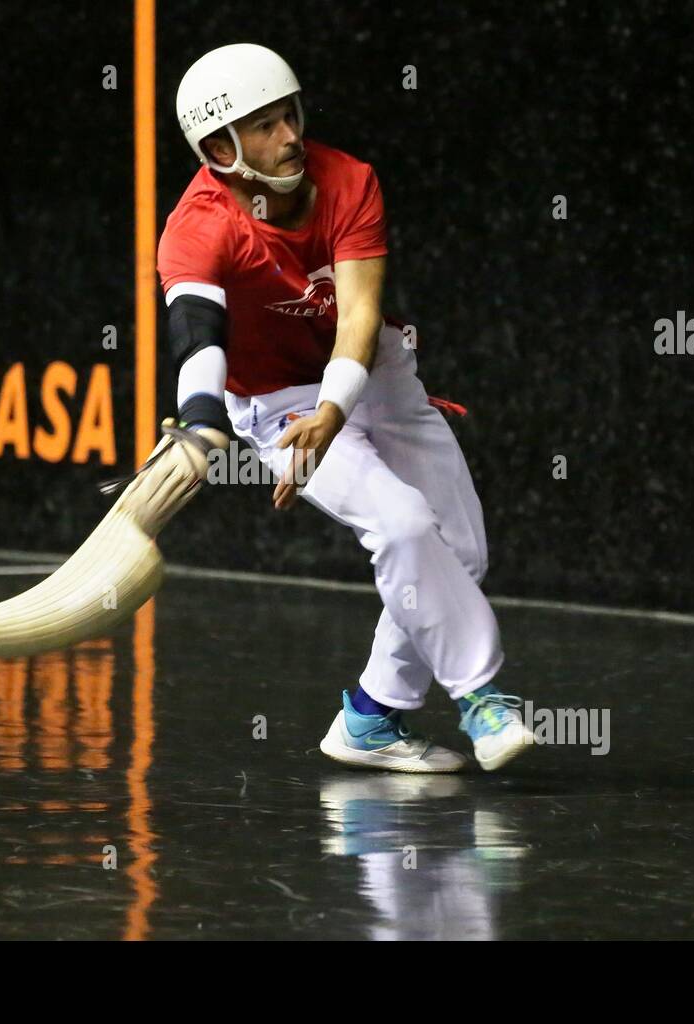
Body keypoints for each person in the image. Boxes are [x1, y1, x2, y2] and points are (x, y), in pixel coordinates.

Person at [157, 43, 534, 773]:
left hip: (371, 373)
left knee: (462, 553)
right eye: (263, 126)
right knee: (400, 524)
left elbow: (360, 314)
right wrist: (199, 418)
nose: (290, 135)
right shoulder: (198, 227)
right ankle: (482, 698)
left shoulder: (349, 179)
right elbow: (198, 331)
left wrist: (334, 409)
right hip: (275, 404)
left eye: (289, 114)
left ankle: (369, 718)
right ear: (217, 148)